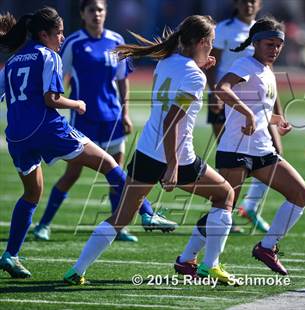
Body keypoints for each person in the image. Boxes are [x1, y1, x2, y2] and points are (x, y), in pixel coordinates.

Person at [63, 15, 239, 286]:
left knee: (120, 217)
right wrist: (173, 165)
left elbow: (174, 98)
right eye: (212, 42)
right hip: (177, 156)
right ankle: (208, 265)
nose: (212, 47)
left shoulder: (167, 62)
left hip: (146, 150)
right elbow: (172, 122)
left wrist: (200, 67)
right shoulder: (194, 75)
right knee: (225, 194)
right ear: (203, 42)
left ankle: (76, 269)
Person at [0, 7, 137, 278]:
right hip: (46, 129)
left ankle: (10, 255)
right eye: (58, 33)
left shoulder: (13, 61)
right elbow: (52, 99)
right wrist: (77, 103)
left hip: (16, 136)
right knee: (109, 163)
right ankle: (147, 212)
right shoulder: (48, 55)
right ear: (44, 34)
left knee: (31, 194)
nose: (62, 38)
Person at [32, 0, 177, 243]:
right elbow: (59, 76)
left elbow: (122, 80)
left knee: (117, 175)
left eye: (100, 10)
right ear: (83, 14)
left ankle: (118, 226)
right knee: (72, 174)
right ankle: (43, 225)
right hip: (84, 119)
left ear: (106, 13)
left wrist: (125, 112)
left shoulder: (115, 40)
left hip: (111, 118)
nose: (96, 14)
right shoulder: (73, 43)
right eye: (91, 10)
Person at [178, 16, 305, 275]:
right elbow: (221, 88)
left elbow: (259, 110)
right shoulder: (245, 64)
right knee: (222, 209)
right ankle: (187, 259)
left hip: (261, 150)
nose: (275, 49)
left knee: (300, 194)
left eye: (278, 45)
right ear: (256, 43)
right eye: (269, 44)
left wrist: (277, 120)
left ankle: (267, 247)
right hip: (236, 151)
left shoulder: (267, 71)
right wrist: (248, 115)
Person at [206, 0, 287, 233]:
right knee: (232, 156)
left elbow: (268, 74)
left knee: (276, 152)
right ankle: (223, 213)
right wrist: (215, 95)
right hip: (230, 100)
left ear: (259, 4)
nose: (248, 4)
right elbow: (214, 66)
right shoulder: (223, 29)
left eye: (253, 1)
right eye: (244, 0)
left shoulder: (266, 30)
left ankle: (249, 207)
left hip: (260, 104)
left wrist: (278, 112)